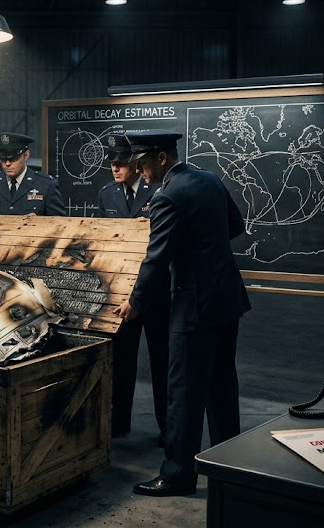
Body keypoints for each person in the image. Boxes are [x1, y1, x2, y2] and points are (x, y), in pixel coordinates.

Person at [115, 129, 251, 497]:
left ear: (161, 158)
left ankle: (176, 475)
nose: (140, 171)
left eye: (142, 164)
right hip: (227, 299)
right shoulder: (209, 180)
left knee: (182, 392)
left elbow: (156, 259)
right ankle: (229, 466)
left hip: (193, 306)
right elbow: (235, 226)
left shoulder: (167, 197)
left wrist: (136, 302)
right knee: (222, 386)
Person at [96, 133, 169, 446]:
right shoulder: (106, 195)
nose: (115, 168)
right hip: (120, 294)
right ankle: (118, 422)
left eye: (121, 162)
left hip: (155, 293)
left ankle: (168, 429)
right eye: (111, 163)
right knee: (121, 362)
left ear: (136, 164)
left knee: (162, 362)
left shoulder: (160, 192)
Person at [0, 132, 66, 249]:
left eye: (13, 158)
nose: (7, 163)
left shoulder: (46, 185)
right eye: (3, 159)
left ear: (26, 155)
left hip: (31, 255)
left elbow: (60, 227)